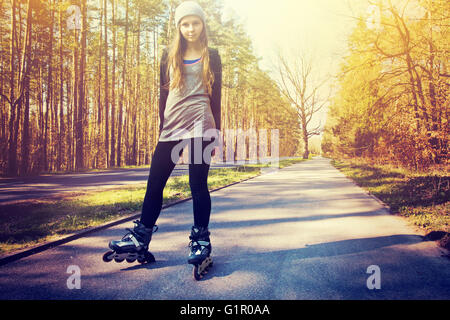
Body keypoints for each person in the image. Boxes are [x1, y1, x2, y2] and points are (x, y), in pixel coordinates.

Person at [105, 1, 221, 278]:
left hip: (202, 127)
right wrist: (161, 129)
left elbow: (216, 97)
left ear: (202, 25)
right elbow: (162, 95)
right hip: (172, 128)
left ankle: (200, 239)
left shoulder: (212, 55)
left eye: (195, 22)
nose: (190, 28)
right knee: (155, 183)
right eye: (185, 23)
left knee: (198, 185)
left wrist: (216, 133)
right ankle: (141, 237)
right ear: (178, 27)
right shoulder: (168, 55)